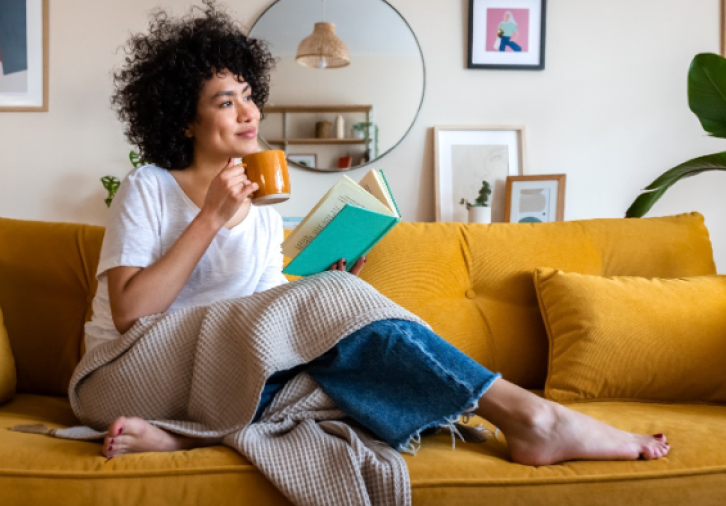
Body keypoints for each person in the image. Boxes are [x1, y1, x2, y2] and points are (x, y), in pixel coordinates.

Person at [84, 1, 670, 466]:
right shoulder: (150, 187)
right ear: (184, 121)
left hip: (214, 377)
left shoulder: (263, 211)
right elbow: (133, 312)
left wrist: (321, 288)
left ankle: (187, 437)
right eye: (225, 101)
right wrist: (210, 218)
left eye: (250, 95)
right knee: (336, 354)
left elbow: (259, 319)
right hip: (124, 374)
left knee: (342, 371)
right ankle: (534, 417)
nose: (249, 113)